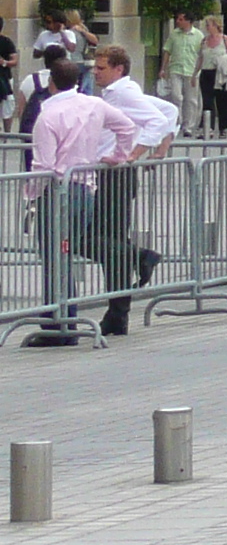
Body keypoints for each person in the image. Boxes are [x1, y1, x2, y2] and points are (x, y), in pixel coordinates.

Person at [27, 58, 140, 345]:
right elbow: (127, 128)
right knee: (67, 252)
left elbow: (44, 165)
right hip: (85, 189)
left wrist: (30, 195)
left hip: (58, 192)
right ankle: (65, 318)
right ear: (78, 80)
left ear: (51, 82)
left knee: (55, 257)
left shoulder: (48, 116)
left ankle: (59, 323)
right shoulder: (94, 105)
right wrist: (118, 156)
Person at [83, 46, 176, 341]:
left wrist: (134, 153)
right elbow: (169, 111)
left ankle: (141, 257)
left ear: (118, 69)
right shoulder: (117, 93)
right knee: (111, 244)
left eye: (101, 68)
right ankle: (117, 313)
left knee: (97, 240)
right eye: (95, 67)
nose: (95, 72)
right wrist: (161, 148)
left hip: (114, 175)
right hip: (110, 173)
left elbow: (159, 120)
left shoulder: (124, 93)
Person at [158, 11, 204, 130]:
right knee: (176, 96)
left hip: (191, 71)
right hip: (175, 69)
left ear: (188, 21)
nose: (178, 21)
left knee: (191, 99)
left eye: (180, 19)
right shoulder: (174, 34)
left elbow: (201, 55)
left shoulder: (199, 35)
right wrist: (163, 68)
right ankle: (178, 121)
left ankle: (189, 125)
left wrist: (198, 71)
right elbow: (167, 51)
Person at [197, 17, 227, 136]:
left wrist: (225, 59)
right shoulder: (204, 41)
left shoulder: (225, 39)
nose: (207, 27)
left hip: (220, 73)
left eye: (209, 25)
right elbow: (200, 58)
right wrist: (195, 74)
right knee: (207, 102)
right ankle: (207, 128)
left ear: (215, 26)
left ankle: (223, 128)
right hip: (206, 72)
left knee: (223, 100)